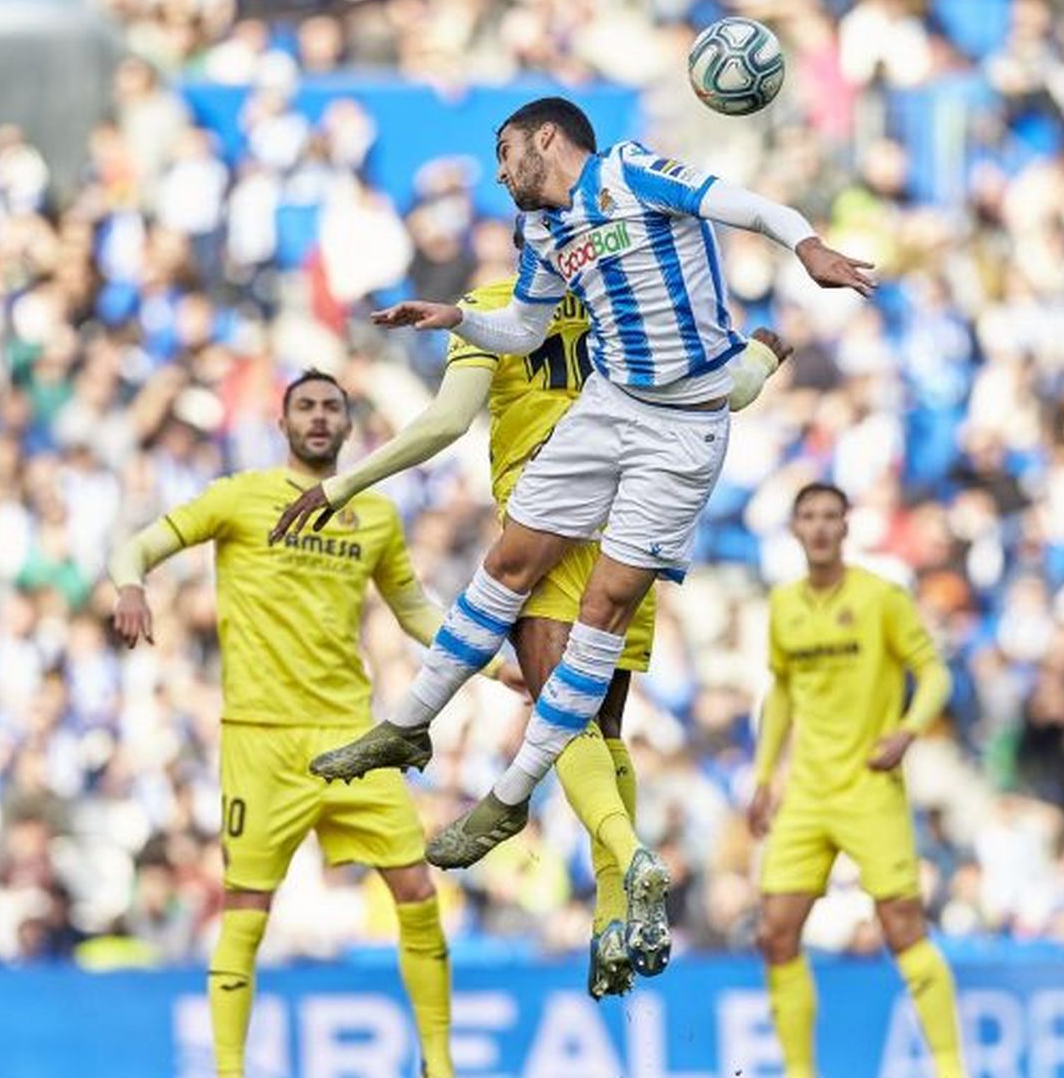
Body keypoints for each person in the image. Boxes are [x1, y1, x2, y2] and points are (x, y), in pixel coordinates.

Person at [273, 94, 873, 978]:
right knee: (602, 720)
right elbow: (529, 324)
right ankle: (600, 897)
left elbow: (738, 206)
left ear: (545, 139)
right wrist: (762, 354)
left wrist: (806, 246)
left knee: (581, 683)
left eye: (504, 151)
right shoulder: (540, 250)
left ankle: (554, 830)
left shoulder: (631, 174)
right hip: (608, 425)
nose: (498, 171)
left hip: (649, 450)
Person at [272, 258, 793, 995]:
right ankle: (616, 918)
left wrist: (345, 480)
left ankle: (630, 857)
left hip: (548, 521)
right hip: (634, 521)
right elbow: (731, 390)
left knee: (564, 720)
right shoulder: (633, 308)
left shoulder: (491, 306)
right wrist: (767, 355)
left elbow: (448, 422)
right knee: (605, 732)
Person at [108, 371, 505, 1078]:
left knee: (417, 890)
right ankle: (230, 1070)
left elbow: (413, 610)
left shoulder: (374, 515)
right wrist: (132, 585)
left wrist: (493, 664)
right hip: (260, 740)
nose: (319, 418)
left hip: (351, 736)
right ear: (283, 421)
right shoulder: (238, 498)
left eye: (331, 408)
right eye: (305, 407)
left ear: (348, 427)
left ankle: (438, 1066)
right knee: (246, 908)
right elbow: (135, 547)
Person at [750, 483, 967, 1078]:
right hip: (807, 794)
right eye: (808, 518)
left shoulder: (882, 598)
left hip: (870, 788)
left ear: (846, 527)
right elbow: (785, 692)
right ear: (795, 530)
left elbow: (935, 675)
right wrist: (765, 777)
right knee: (775, 932)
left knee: (903, 931)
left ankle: (950, 1068)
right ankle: (800, 1071)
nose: (819, 528)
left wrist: (908, 730)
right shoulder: (784, 605)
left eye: (829, 517)